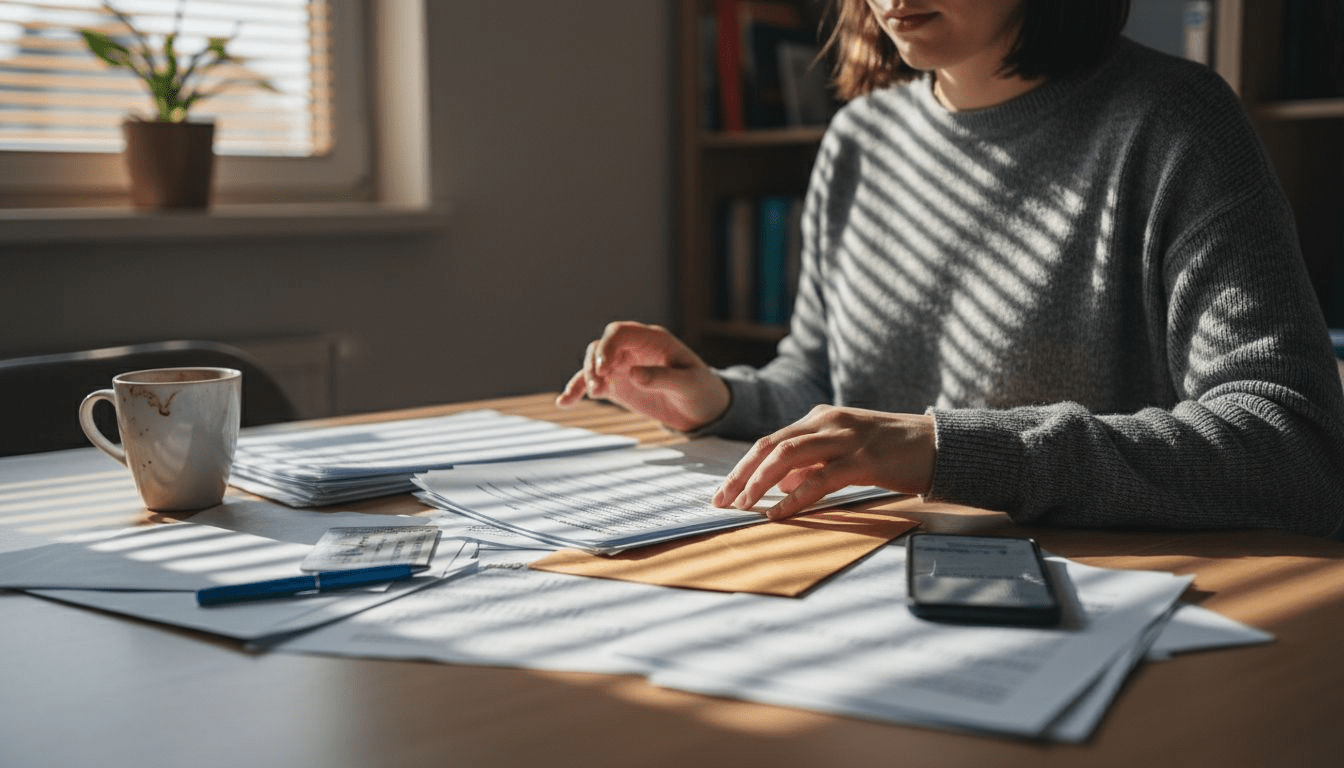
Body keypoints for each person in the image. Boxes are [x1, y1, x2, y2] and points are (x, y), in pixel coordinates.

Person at [558, 0, 1344, 539]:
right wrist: (720, 398)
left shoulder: (1175, 125)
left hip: (1097, 600)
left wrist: (948, 450)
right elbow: (827, 386)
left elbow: (1291, 449)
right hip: (872, 577)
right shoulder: (859, 140)